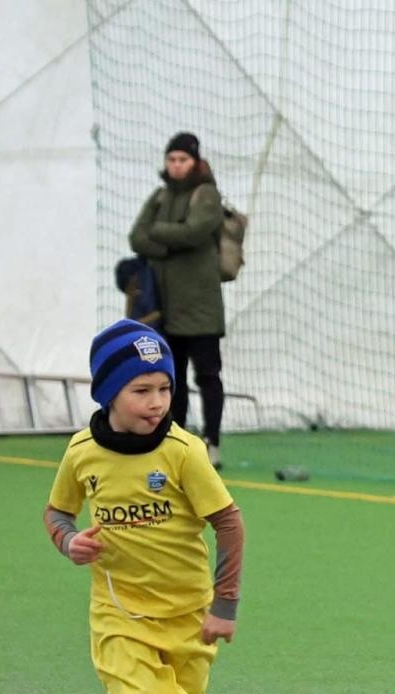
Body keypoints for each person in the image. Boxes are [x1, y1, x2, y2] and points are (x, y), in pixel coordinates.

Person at [42, 319, 246, 694]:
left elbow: (229, 523)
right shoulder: (83, 451)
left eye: (165, 389)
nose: (157, 402)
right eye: (142, 390)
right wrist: (68, 541)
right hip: (119, 611)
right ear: (109, 391)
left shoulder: (183, 452)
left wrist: (224, 606)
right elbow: (57, 510)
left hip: (189, 614)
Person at [129, 132, 227, 469]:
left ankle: (212, 440)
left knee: (208, 375)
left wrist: (160, 235)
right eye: (171, 159)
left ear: (195, 162)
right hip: (166, 308)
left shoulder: (207, 195)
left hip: (201, 306)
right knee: (171, 378)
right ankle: (177, 438)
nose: (176, 166)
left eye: (182, 160)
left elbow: (195, 231)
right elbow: (136, 237)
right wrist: (170, 241)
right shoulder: (160, 195)